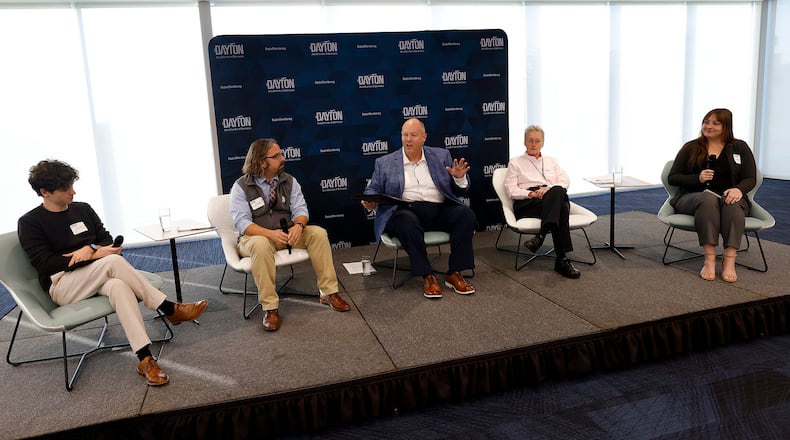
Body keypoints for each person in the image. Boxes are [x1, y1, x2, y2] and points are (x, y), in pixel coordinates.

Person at [18, 159, 208, 387]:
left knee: (118, 285)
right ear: (45, 192)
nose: (73, 191)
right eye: (65, 188)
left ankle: (145, 359)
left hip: (98, 273)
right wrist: (91, 255)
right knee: (112, 263)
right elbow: (45, 264)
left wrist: (91, 250)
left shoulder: (83, 209)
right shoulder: (30, 222)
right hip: (63, 284)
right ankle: (168, 308)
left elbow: (106, 240)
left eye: (72, 185)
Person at [230, 138, 351, 331]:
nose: (282, 158)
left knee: (318, 233)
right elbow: (243, 223)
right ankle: (270, 308)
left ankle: (328, 293)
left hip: (287, 233)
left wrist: (299, 227)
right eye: (276, 155)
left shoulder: (289, 181)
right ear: (262, 161)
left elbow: (301, 209)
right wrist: (270, 234)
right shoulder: (241, 186)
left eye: (281, 154)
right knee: (261, 244)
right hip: (255, 237)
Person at [361, 118, 476, 298]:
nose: (408, 139)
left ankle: (454, 273)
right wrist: (369, 201)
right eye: (405, 135)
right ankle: (427, 275)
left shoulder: (441, 156)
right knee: (407, 223)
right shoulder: (385, 162)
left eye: (413, 135)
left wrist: (459, 178)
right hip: (404, 211)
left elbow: (459, 189)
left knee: (465, 214)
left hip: (437, 209)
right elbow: (372, 189)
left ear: (424, 137)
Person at [668, 108, 756, 283]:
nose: (708, 126)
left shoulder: (740, 147)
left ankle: (729, 261)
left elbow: (750, 178)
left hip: (729, 197)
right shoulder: (691, 147)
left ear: (726, 126)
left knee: (730, 202)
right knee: (708, 199)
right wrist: (697, 178)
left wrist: (738, 189)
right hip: (693, 196)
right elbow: (673, 177)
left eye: (715, 123)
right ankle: (709, 260)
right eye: (706, 122)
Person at [504, 125, 581, 279]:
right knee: (562, 207)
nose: (533, 144)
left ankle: (541, 236)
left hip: (550, 196)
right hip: (528, 202)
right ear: (524, 142)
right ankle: (562, 260)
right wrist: (532, 193)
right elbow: (510, 190)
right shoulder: (515, 163)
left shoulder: (552, 161)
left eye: (537, 141)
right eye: (530, 140)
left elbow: (565, 181)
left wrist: (548, 190)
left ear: (543, 143)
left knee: (558, 193)